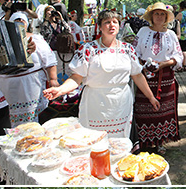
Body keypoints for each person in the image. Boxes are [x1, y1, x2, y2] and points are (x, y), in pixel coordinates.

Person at [43, 9, 159, 137]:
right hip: (95, 103)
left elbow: (137, 75)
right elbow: (77, 77)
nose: (111, 25)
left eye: (115, 22)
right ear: (99, 26)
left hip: (121, 104)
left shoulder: (128, 49)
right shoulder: (88, 49)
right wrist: (60, 90)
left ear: (119, 26)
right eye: (107, 22)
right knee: (94, 141)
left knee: (119, 142)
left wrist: (151, 97)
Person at [134, 3, 183, 149]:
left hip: (166, 77)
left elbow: (178, 56)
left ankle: (160, 141)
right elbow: (134, 52)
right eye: (157, 14)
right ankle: (144, 141)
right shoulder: (143, 32)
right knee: (143, 108)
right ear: (151, 16)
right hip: (144, 76)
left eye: (162, 14)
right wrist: (142, 65)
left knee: (163, 110)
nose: (160, 17)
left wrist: (163, 64)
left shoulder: (171, 34)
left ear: (167, 17)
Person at [0, 11, 58, 128]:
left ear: (27, 23)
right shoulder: (2, 41)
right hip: (9, 87)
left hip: (31, 85)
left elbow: (49, 60)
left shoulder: (36, 39)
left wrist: (53, 79)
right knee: (10, 121)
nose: (19, 22)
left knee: (32, 121)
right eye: (16, 20)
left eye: (22, 20)